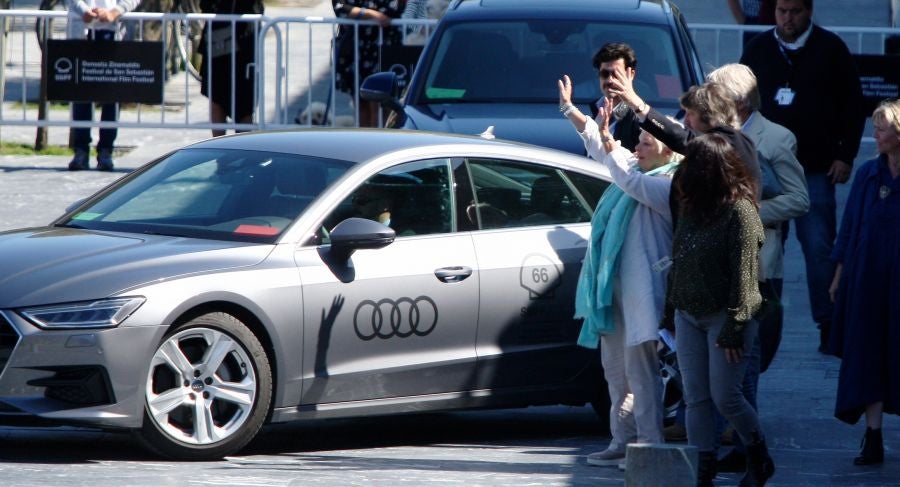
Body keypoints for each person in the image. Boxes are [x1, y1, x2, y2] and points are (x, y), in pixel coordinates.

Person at [560, 75, 681, 468]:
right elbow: (603, 148)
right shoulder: (641, 167)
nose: (638, 149)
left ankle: (648, 445)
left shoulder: (669, 183)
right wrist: (570, 110)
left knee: (642, 373)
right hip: (613, 289)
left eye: (647, 144)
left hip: (645, 289)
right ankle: (621, 439)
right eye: (639, 143)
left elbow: (625, 175)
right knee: (615, 371)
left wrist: (614, 147)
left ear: (666, 152)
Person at [740, 0, 866, 354]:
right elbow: (737, 99)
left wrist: (845, 156)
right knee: (761, 247)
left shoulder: (832, 48)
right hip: (763, 169)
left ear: (809, 10)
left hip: (816, 168)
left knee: (819, 248)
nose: (787, 18)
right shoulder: (758, 48)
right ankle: (759, 323)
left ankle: (828, 325)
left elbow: (853, 106)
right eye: (781, 10)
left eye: (795, 11)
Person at [706, 63, 810, 472]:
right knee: (726, 355)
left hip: (760, 265)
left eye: (716, 93)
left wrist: (748, 211)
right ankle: (725, 441)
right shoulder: (710, 135)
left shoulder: (777, 138)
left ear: (740, 99)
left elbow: (800, 199)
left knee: (748, 358)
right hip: (717, 264)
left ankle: (747, 445)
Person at [665, 133, 772, 486]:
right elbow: (679, 261)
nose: (683, 170)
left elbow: (746, 280)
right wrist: (670, 312)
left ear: (709, 170)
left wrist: (734, 330)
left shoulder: (741, 212)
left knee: (726, 397)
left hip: (727, 316)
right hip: (688, 314)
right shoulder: (691, 207)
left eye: (691, 164)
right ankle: (703, 471)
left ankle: (758, 454)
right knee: (695, 398)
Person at [829, 98, 900, 466]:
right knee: (868, 353)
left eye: (882, 129)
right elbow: (850, 225)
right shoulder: (868, 174)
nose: (876, 135)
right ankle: (873, 437)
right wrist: (839, 273)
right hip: (868, 278)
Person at [65, 0, 142, 171]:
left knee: (112, 96)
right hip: (82, 33)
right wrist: (83, 11)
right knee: (81, 93)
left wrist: (115, 11)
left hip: (115, 34)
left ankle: (106, 151)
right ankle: (81, 151)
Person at [332, 0, 404, 127]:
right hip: (354, 50)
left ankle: (380, 143)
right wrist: (372, 14)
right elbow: (340, 8)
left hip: (384, 48)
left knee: (380, 104)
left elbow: (393, 10)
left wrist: (362, 12)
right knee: (361, 105)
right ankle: (365, 143)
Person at [199, 0, 264, 137]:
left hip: (244, 40)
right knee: (216, 96)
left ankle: (242, 149)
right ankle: (219, 146)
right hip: (218, 37)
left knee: (245, 101)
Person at [588, 43, 644, 151]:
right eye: (605, 74)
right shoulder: (595, 110)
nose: (609, 80)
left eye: (616, 74)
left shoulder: (639, 119)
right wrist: (565, 107)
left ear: (631, 75)